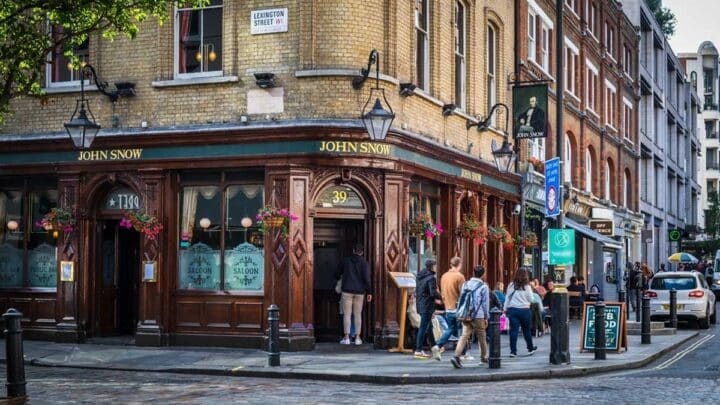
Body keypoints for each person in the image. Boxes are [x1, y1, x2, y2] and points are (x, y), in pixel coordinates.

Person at [450, 265, 490, 369]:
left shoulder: (466, 284)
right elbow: (485, 304)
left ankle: (456, 356)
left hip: (466, 314)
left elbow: (462, 298)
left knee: (464, 336)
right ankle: (483, 357)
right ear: (483, 274)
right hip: (478, 315)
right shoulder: (483, 286)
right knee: (482, 337)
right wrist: (486, 316)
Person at [335, 244, 372, 345]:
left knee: (346, 314)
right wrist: (369, 292)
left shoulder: (345, 261)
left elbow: (336, 273)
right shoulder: (364, 263)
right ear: (362, 252)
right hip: (360, 292)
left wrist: (341, 278)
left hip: (347, 291)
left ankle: (346, 338)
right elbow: (367, 279)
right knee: (357, 315)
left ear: (353, 250)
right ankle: (357, 338)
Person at [430, 257, 466, 361]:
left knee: (451, 329)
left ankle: (437, 346)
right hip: (458, 307)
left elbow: (442, 292)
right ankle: (461, 353)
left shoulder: (444, 276)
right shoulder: (460, 276)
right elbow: (463, 294)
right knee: (461, 330)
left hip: (448, 306)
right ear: (459, 264)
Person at [504, 267, 537, 357]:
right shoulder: (527, 287)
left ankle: (513, 351)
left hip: (513, 310)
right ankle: (530, 348)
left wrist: (504, 308)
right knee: (526, 331)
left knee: (513, 331)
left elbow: (507, 298)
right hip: (525, 310)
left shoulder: (511, 285)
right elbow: (531, 299)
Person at [414, 259, 440, 359]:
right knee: (423, 327)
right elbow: (432, 293)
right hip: (427, 305)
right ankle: (418, 350)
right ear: (432, 267)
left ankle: (434, 347)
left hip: (420, 304)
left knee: (429, 327)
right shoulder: (431, 278)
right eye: (435, 266)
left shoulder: (420, 277)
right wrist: (441, 297)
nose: (436, 267)